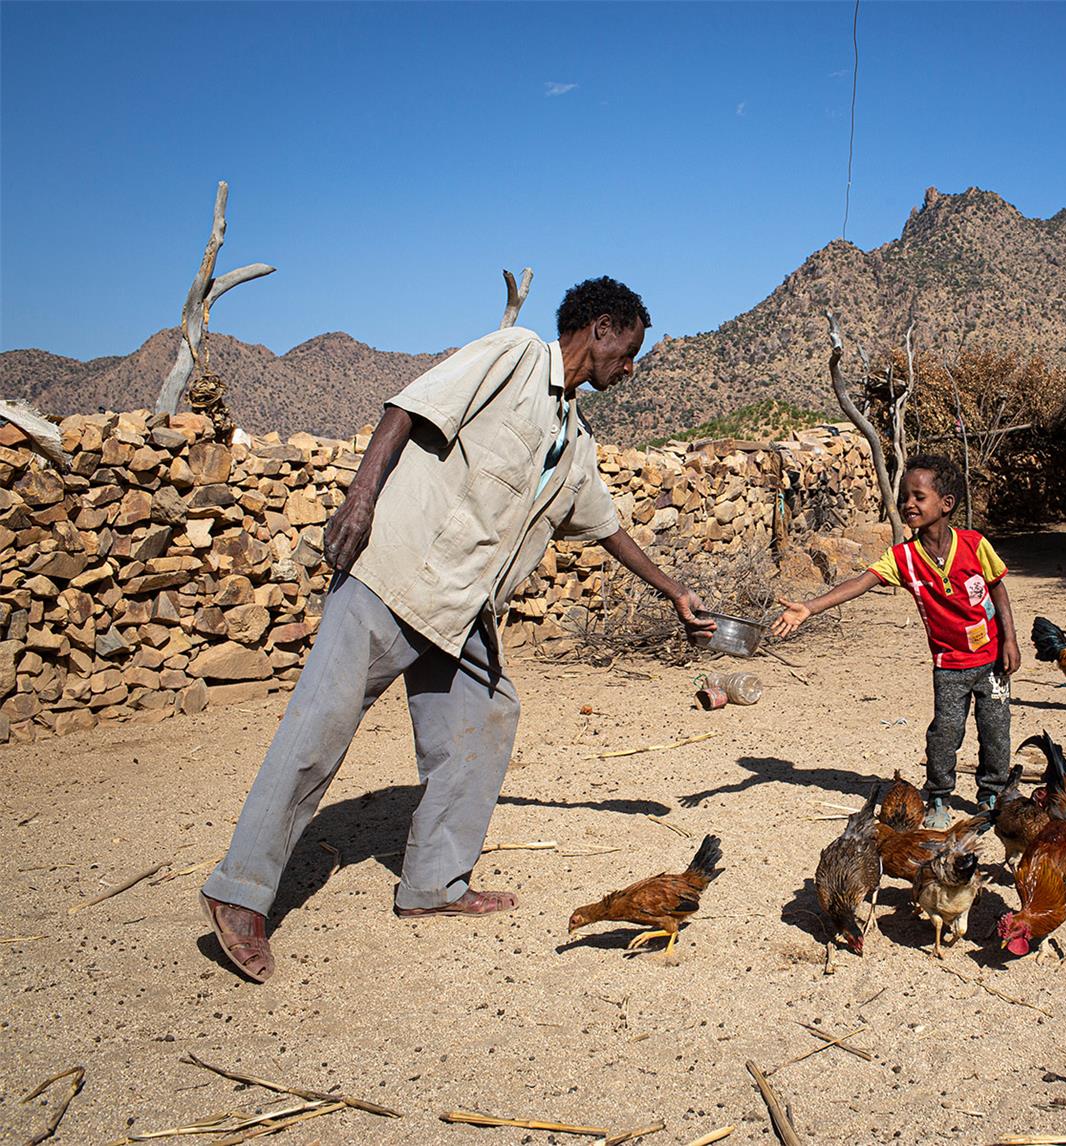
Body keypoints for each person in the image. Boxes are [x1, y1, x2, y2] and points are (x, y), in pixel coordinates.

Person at [200, 277, 715, 983]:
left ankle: (433, 886)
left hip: (463, 610)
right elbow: (410, 409)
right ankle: (238, 893)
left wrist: (675, 591)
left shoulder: (575, 441)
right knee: (316, 734)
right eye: (628, 352)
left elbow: (607, 527)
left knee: (488, 718)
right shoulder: (513, 356)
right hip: (398, 576)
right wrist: (359, 500)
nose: (629, 368)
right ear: (601, 329)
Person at [773, 455, 1019, 829]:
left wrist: (1010, 641)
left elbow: (998, 589)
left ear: (946, 504)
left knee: (996, 730)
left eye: (918, 497)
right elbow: (860, 582)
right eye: (905, 497)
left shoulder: (974, 544)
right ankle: (938, 796)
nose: (908, 504)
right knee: (945, 733)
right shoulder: (904, 558)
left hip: (990, 660)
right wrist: (809, 607)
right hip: (949, 665)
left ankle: (993, 792)